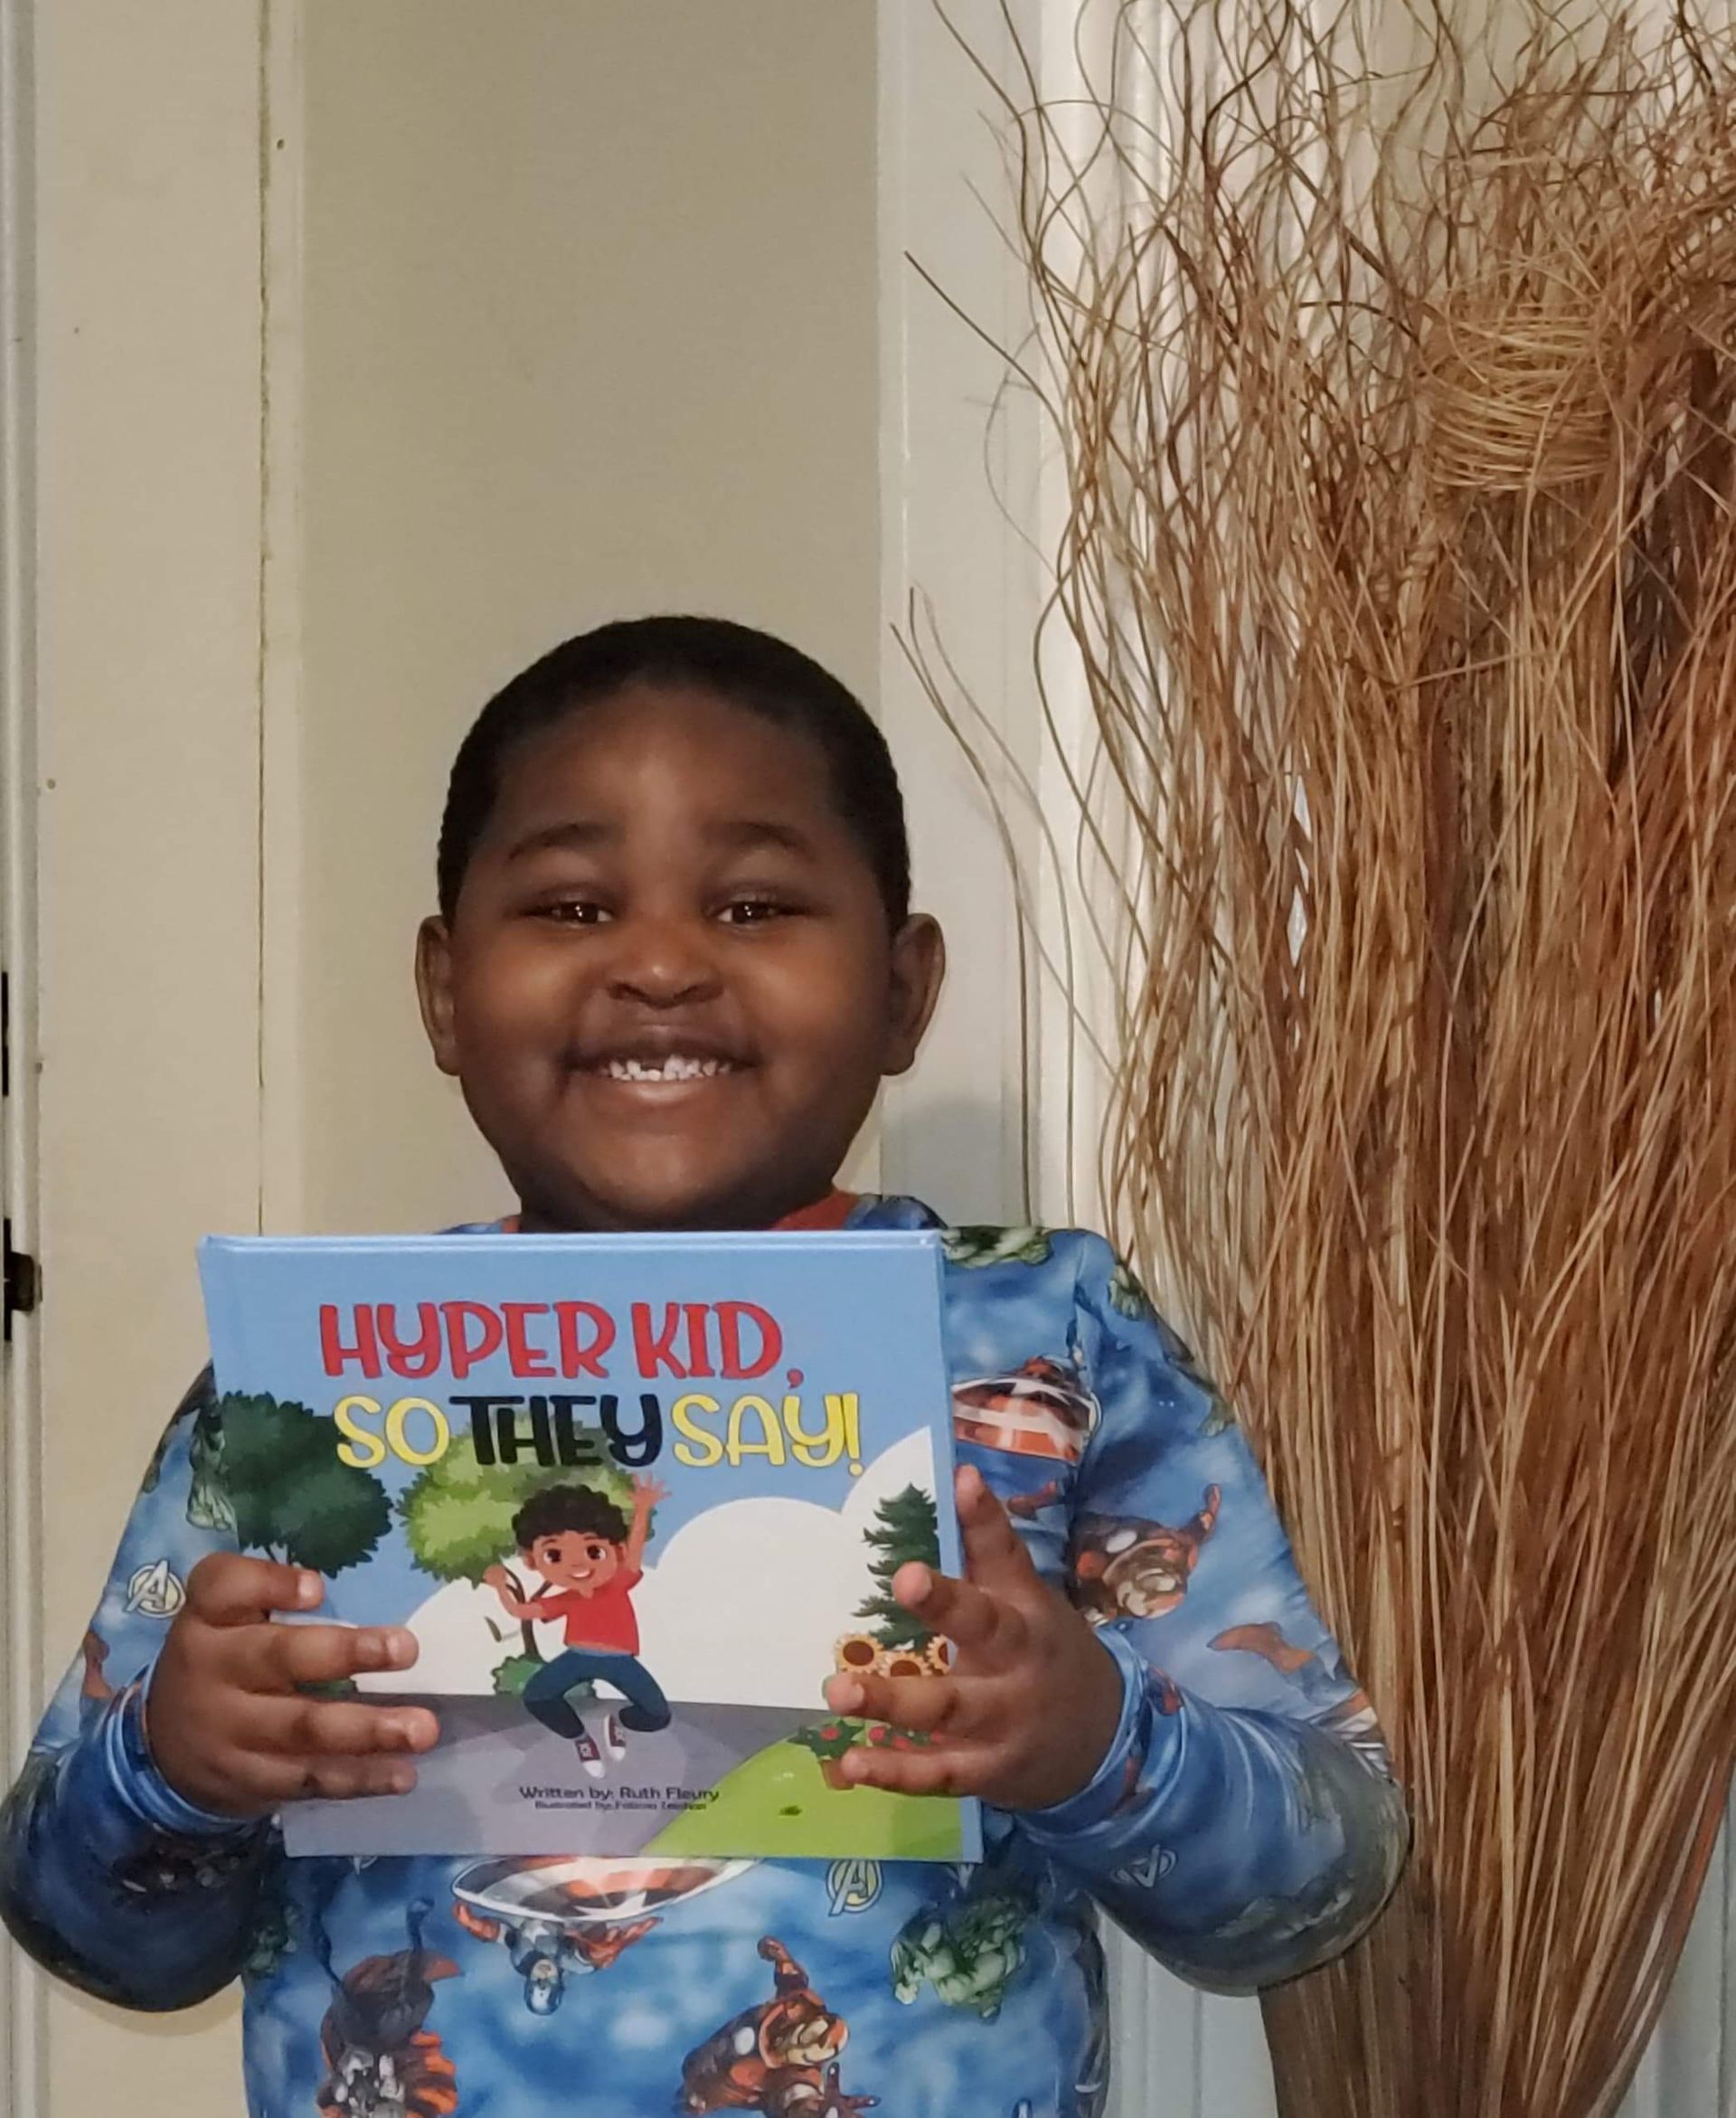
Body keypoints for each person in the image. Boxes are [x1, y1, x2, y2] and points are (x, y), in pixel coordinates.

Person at [0, 616, 1406, 2117]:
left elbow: (1316, 1885)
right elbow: (94, 1932)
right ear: (443, 990)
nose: (662, 964)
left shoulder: (1048, 1332)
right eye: (571, 904)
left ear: (902, 989)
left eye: (753, 904)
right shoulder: (306, 1391)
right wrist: (173, 1766)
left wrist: (1093, 1738)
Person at [486, 1477, 673, 1774]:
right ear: (533, 1561)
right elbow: (521, 1611)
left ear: (617, 1552)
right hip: (577, 1658)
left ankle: (618, 1723)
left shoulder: (619, 1581)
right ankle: (581, 1739)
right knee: (537, 1696)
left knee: (658, 1715)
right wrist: (500, 1586)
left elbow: (636, 1547)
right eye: (555, 1555)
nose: (576, 1564)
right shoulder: (567, 1599)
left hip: (620, 1661)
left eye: (593, 1551)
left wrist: (642, 1510)